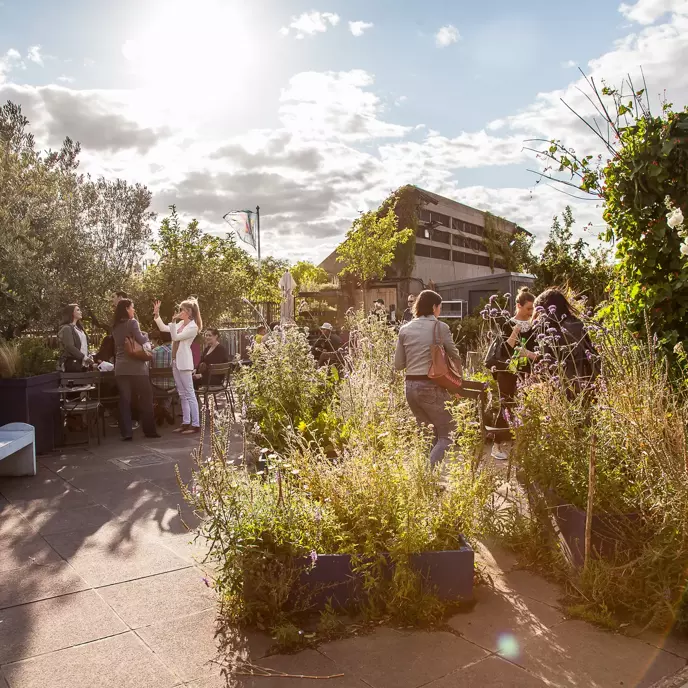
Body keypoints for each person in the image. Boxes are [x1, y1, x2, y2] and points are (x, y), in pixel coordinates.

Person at [394, 290, 462, 467]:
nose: (440, 311)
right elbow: (455, 355)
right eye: (440, 307)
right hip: (431, 386)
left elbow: (398, 364)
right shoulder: (441, 327)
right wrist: (457, 384)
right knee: (449, 434)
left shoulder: (404, 329)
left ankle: (422, 479)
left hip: (410, 387)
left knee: (427, 435)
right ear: (434, 307)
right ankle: (427, 477)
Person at [490, 287, 538, 461]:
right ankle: (496, 444)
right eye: (528, 309)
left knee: (527, 406)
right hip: (509, 370)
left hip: (527, 370)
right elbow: (505, 349)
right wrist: (515, 331)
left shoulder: (535, 325)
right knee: (507, 405)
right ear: (519, 306)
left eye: (533, 309)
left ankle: (523, 445)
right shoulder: (507, 323)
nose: (531, 312)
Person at [532, 288, 600, 396]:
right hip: (586, 380)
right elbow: (590, 351)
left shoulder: (547, 329)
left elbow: (547, 361)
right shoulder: (577, 323)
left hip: (562, 385)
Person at [112, 299, 159, 440]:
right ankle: (149, 431)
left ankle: (127, 433)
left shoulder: (114, 326)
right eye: (132, 307)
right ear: (127, 308)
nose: (134, 310)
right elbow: (142, 339)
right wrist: (146, 335)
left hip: (120, 367)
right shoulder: (132, 323)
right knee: (146, 397)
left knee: (125, 401)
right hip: (137, 367)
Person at [154, 298, 202, 435]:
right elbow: (164, 328)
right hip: (175, 361)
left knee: (190, 393)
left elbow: (175, 337)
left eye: (182, 310)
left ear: (189, 312)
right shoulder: (181, 323)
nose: (180, 312)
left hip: (185, 363)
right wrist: (157, 316)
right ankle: (186, 422)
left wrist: (174, 321)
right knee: (182, 394)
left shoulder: (193, 327)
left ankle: (196, 424)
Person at [58, 304, 93, 372]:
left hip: (83, 364)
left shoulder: (80, 329)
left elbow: (83, 345)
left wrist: (88, 355)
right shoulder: (67, 328)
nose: (81, 312)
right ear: (72, 313)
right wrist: (84, 357)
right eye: (78, 310)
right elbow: (69, 346)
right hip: (73, 363)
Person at [150, 332, 175, 426]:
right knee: (172, 387)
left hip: (156, 386)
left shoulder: (154, 351)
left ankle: (161, 410)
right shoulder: (178, 351)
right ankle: (164, 409)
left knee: (156, 387)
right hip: (172, 386)